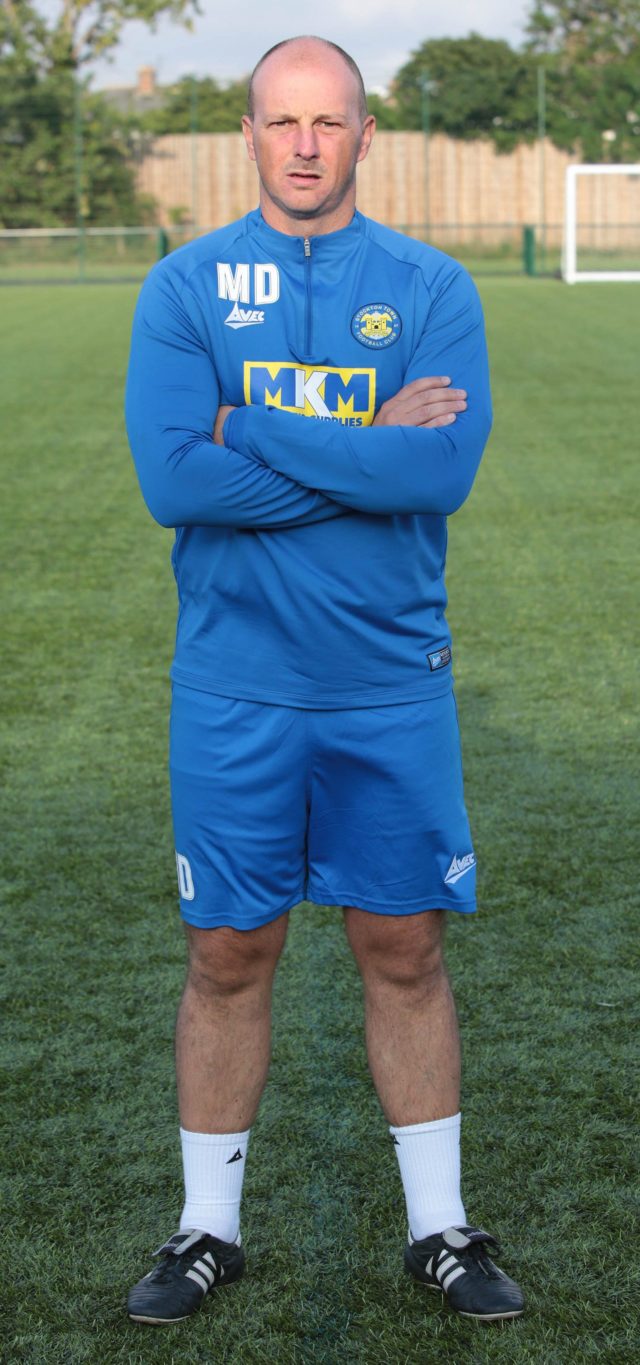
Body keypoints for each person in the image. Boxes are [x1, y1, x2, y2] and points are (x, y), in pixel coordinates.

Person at [124, 35, 524, 1327]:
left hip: (388, 681)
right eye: (283, 121)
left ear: (365, 135)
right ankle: (206, 1228)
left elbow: (437, 473)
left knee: (402, 944)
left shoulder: (430, 287)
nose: (306, 145)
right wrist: (362, 446)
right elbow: (174, 480)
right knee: (228, 950)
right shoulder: (186, 286)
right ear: (248, 134)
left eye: (329, 121)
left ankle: (441, 1227)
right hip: (235, 685)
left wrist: (251, 428)